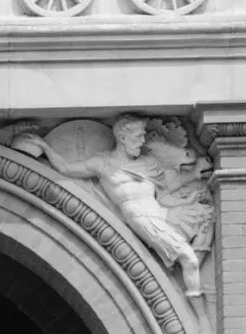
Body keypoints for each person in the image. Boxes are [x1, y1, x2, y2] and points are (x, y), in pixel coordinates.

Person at [18, 114, 206, 302]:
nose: (142, 141)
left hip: (162, 214)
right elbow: (67, 168)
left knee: (206, 219)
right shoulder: (103, 163)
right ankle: (202, 322)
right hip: (143, 220)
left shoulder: (147, 163)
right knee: (189, 259)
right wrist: (44, 146)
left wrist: (195, 174)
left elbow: (165, 188)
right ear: (123, 138)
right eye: (138, 136)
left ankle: (194, 304)